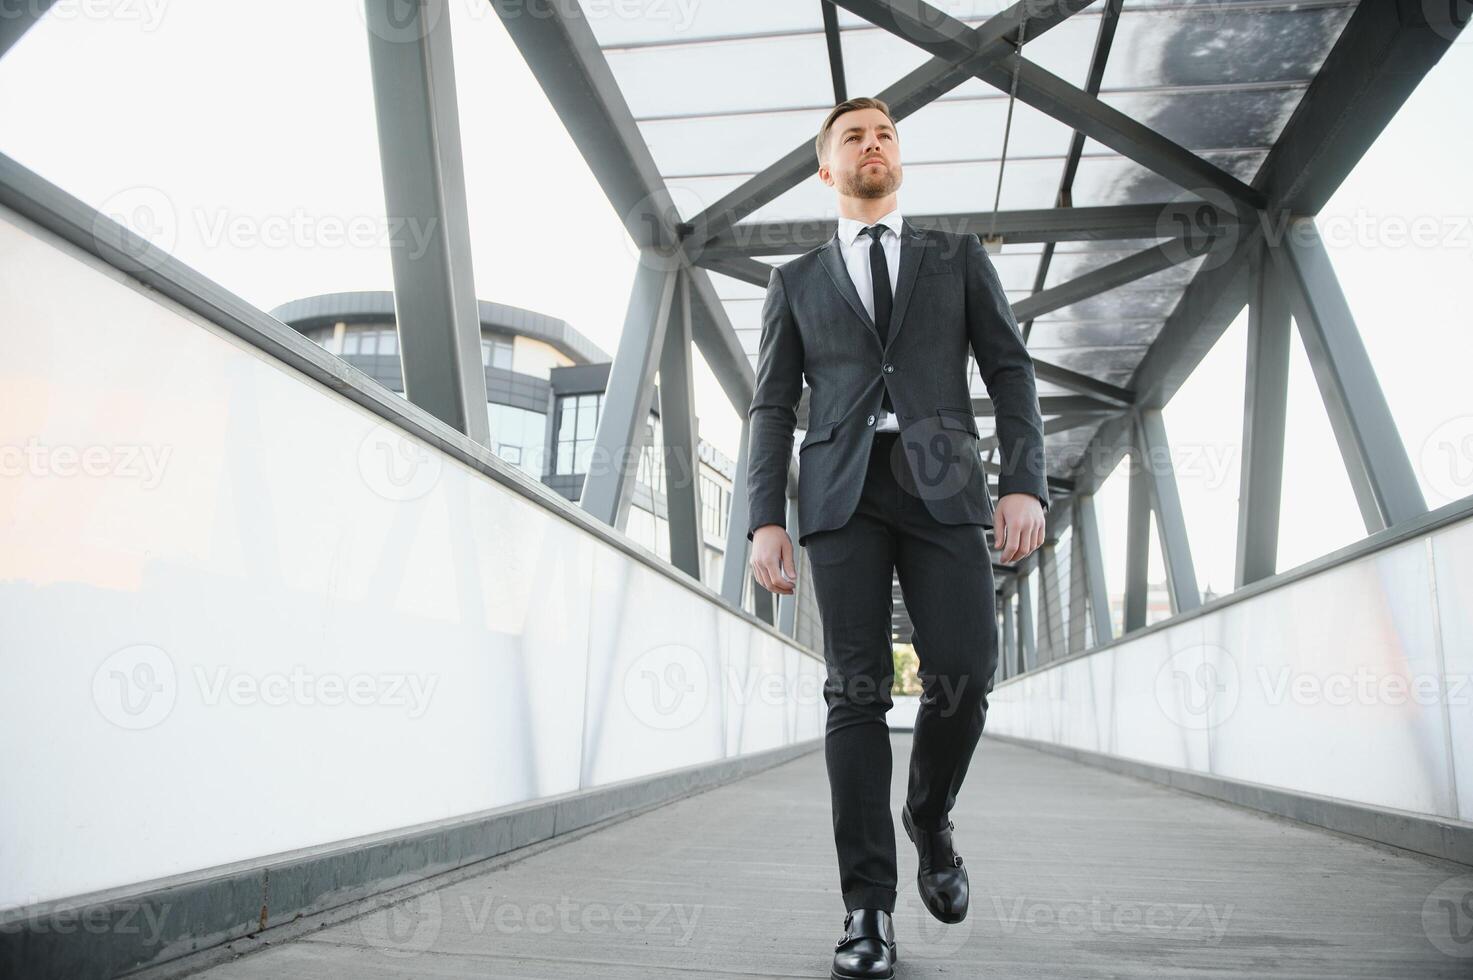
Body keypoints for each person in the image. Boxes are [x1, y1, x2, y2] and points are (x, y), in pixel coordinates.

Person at [744, 96, 1049, 980]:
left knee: (966, 670)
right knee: (856, 692)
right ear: (825, 168)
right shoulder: (794, 281)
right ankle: (866, 910)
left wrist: (1023, 484)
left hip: (944, 486)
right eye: (852, 137)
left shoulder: (953, 258)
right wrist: (767, 514)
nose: (871, 144)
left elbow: (1010, 370)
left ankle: (929, 816)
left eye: (884, 134)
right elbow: (772, 405)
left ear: (897, 160)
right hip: (840, 492)